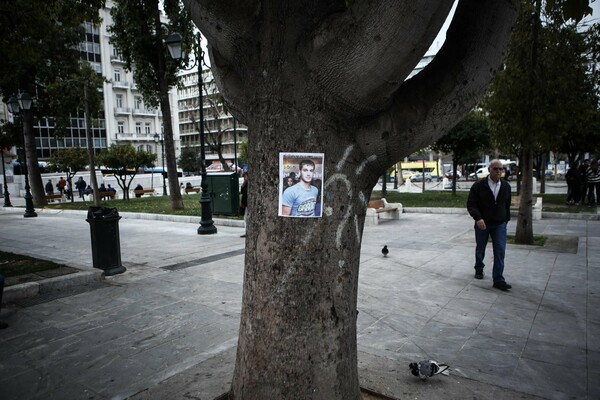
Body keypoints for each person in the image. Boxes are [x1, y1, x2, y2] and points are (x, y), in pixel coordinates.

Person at [467, 159, 512, 291]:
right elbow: (471, 204)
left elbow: (507, 205)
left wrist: (505, 219)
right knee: (481, 247)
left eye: (500, 169)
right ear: (489, 170)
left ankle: (498, 279)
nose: (498, 171)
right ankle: (479, 268)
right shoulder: (479, 186)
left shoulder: (506, 186)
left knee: (500, 251)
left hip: (499, 224)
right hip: (483, 223)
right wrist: (478, 218)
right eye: (495, 169)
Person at [239, 172, 248, 238]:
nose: (244, 178)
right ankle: (246, 231)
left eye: (245, 177)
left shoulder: (249, 185)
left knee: (246, 218)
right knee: (245, 218)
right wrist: (243, 185)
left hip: (247, 203)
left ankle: (247, 231)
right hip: (245, 203)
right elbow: (242, 192)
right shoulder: (245, 184)